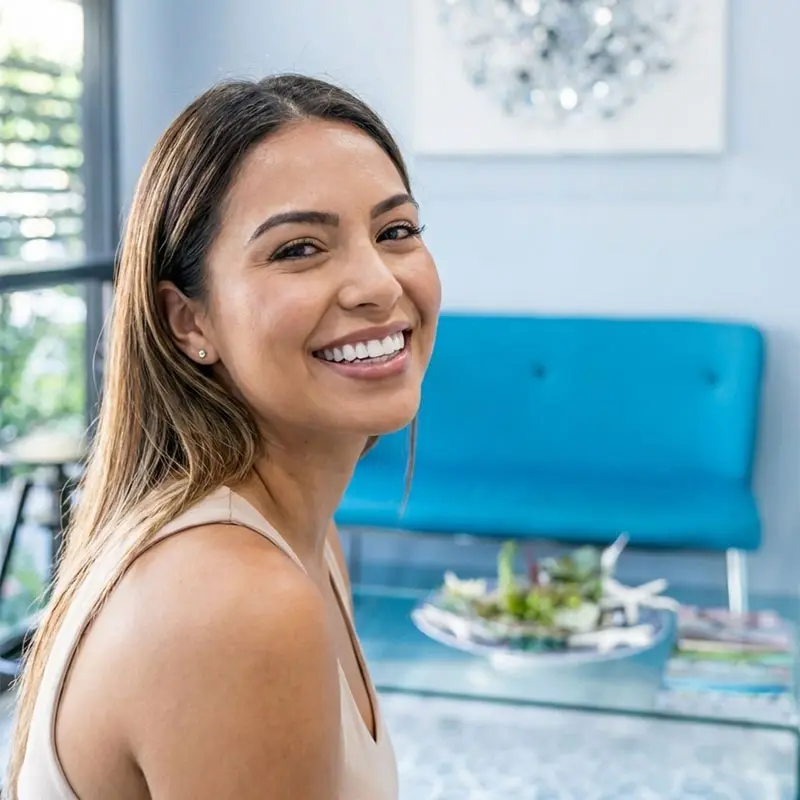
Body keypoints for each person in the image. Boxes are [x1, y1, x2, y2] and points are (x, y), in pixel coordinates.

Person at [6, 74, 441, 799]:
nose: (376, 283)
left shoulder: (296, 538)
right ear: (190, 322)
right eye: (299, 249)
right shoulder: (237, 600)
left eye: (395, 231)